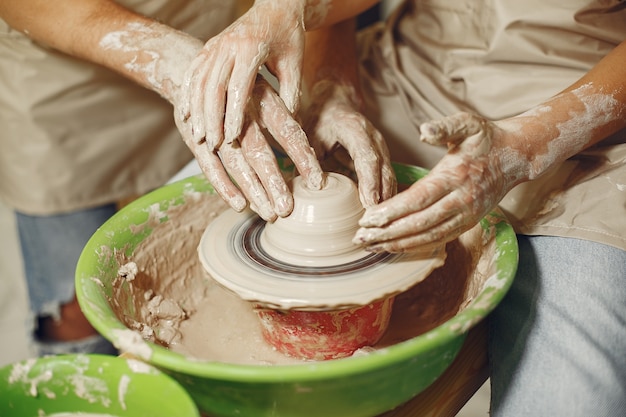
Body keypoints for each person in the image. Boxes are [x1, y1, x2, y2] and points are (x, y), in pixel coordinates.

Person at [178, 0, 626, 415]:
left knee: (573, 402)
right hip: (408, 79)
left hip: (579, 126)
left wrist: (524, 148)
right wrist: (331, 83)